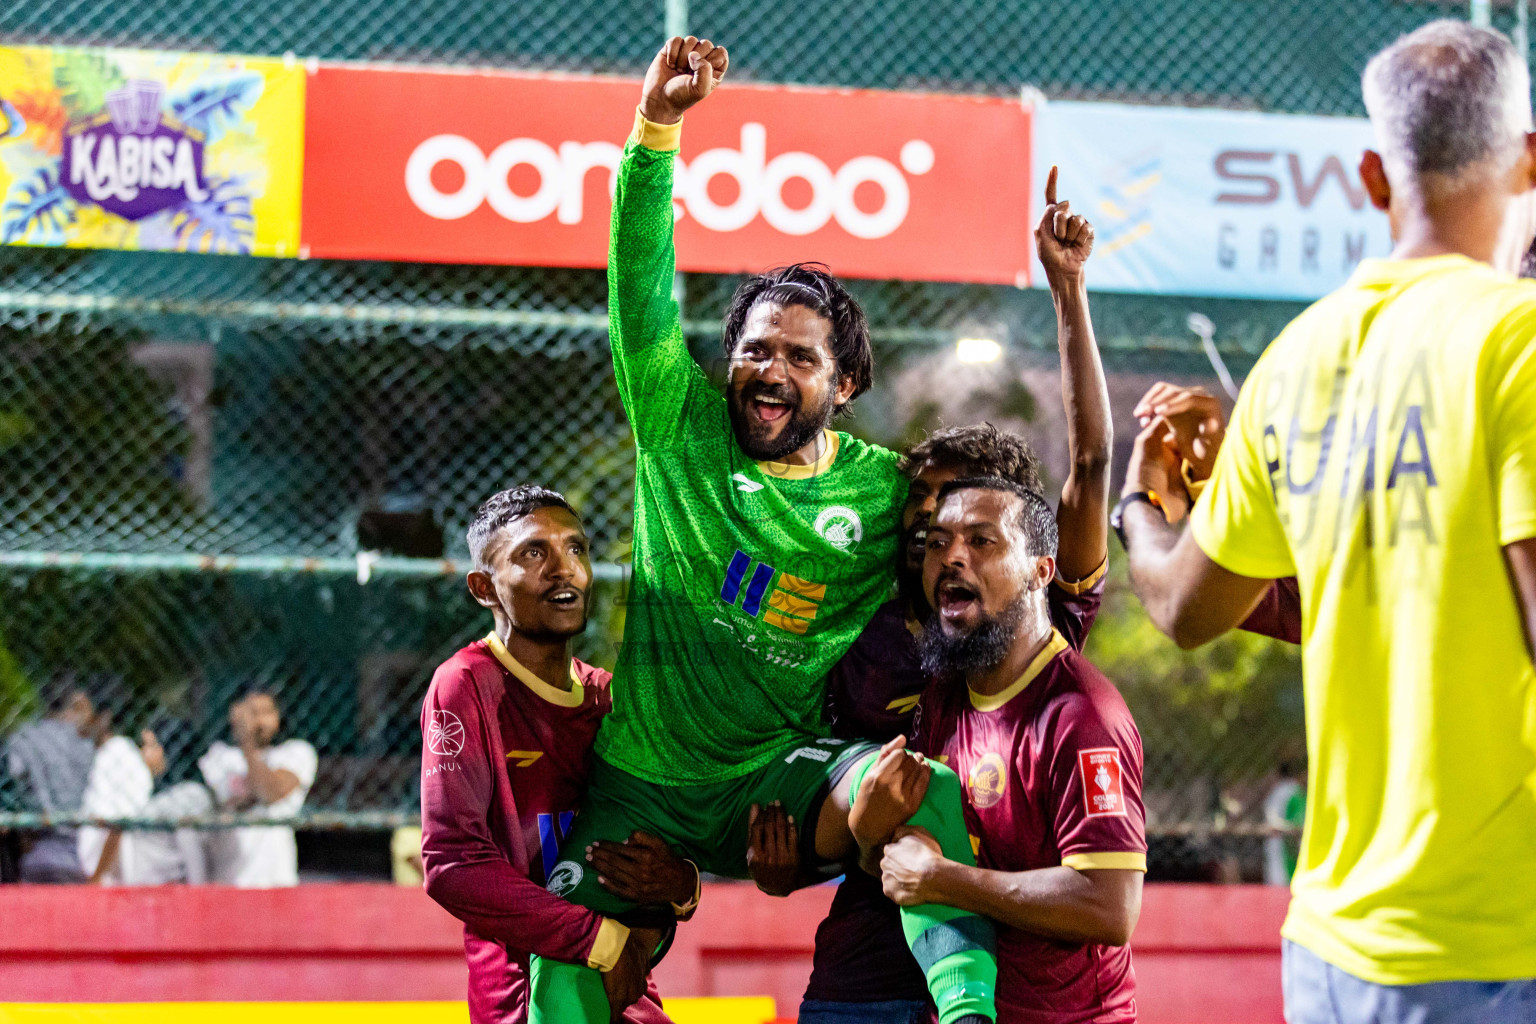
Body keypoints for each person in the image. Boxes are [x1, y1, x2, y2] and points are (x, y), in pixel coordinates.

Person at [530, 36, 999, 1024]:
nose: (768, 370)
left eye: (797, 355)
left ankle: (970, 1015)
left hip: (780, 786)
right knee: (562, 954)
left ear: (845, 384)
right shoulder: (677, 426)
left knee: (921, 786)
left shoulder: (890, 495)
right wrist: (656, 131)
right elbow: (640, 291)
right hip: (646, 781)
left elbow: (1000, 554)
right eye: (753, 349)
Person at [1117, 20, 1536, 1020]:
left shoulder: (1295, 362)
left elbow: (1179, 607)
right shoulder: (1515, 341)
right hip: (1495, 940)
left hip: (1330, 951)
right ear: (1525, 162)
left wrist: (1141, 502)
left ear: (1372, 176)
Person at [801, 168, 1112, 1024]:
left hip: (998, 983)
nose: (940, 537)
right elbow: (820, 814)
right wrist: (786, 853)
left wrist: (1068, 289)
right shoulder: (860, 628)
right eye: (925, 515)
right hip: (863, 972)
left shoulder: (1042, 639)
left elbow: (1089, 467)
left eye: (970, 524)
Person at [420, 485, 701, 1024]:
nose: (564, 569)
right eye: (533, 553)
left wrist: (681, 885)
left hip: (630, 999)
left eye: (576, 549)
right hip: (522, 1005)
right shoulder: (465, 685)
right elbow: (451, 861)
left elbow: (669, 842)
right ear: (484, 588)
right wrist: (596, 938)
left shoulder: (613, 699)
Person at [881, 476, 1145, 1023]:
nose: (952, 557)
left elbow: (1109, 906)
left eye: (982, 541)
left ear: (1039, 570)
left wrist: (940, 879)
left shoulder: (1082, 715)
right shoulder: (945, 697)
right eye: (937, 542)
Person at [197, 691, 317, 887]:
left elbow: (268, 792)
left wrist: (248, 742)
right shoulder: (217, 756)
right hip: (229, 883)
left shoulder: (297, 752)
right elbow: (234, 801)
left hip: (278, 884)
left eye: (267, 712)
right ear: (235, 715)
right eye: (252, 712)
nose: (260, 720)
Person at [5, 685, 94, 882]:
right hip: (85, 851)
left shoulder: (24, 737)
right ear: (73, 706)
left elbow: (14, 777)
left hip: (38, 849)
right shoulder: (85, 744)